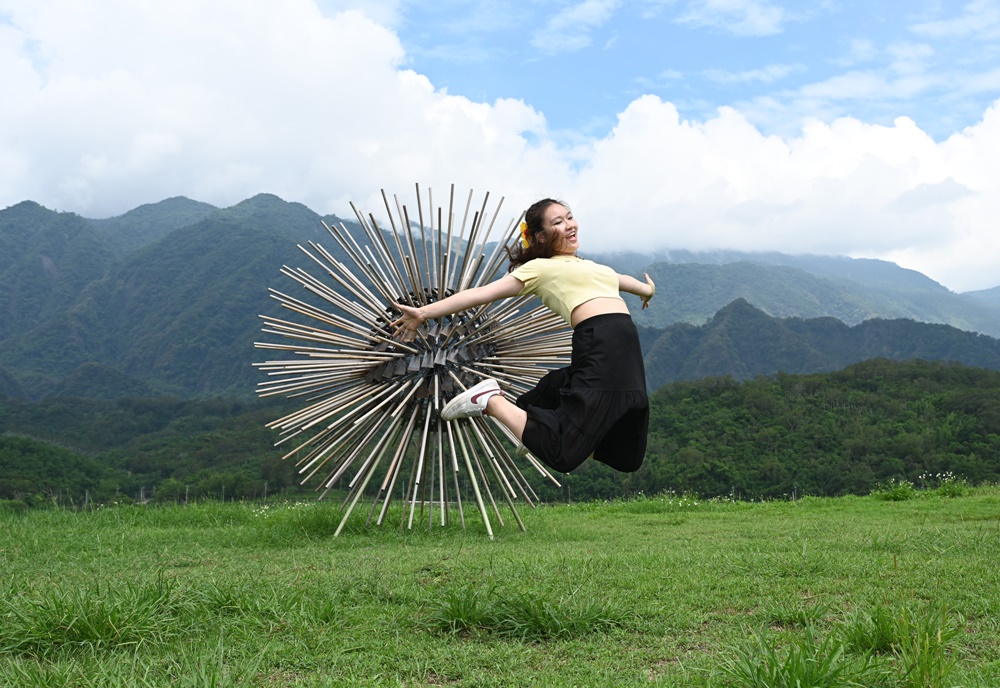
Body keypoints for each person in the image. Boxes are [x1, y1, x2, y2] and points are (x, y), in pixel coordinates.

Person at [392, 198, 655, 474]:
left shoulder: (595, 268)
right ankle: (491, 401)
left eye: (569, 217)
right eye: (558, 222)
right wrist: (423, 313)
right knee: (562, 455)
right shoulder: (540, 269)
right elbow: (482, 293)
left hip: (626, 350)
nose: (569, 225)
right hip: (599, 340)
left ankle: (540, 423)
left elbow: (631, 283)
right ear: (541, 237)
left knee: (627, 455)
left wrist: (648, 291)